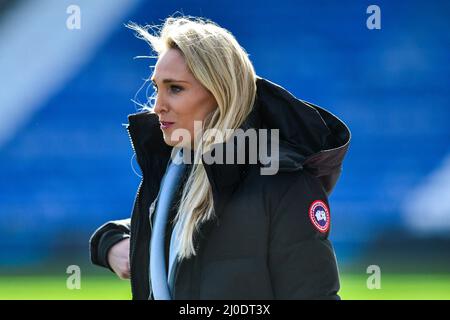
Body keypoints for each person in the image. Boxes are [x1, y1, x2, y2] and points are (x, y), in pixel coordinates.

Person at [89, 16, 351, 300]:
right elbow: (175, 223)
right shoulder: (181, 170)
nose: (157, 107)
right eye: (156, 88)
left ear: (220, 93)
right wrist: (110, 241)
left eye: (175, 88)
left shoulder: (285, 184)